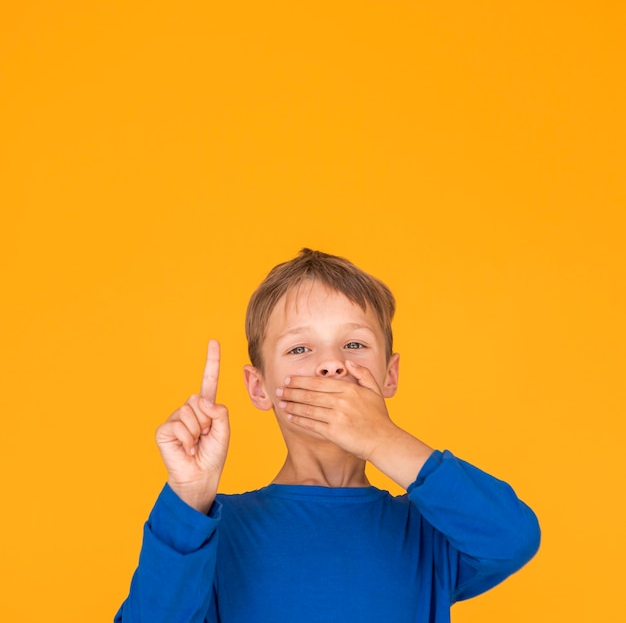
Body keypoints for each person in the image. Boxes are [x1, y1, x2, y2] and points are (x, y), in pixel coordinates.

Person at [115, 248, 540, 623]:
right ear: (258, 386)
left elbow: (513, 537)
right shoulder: (215, 531)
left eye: (354, 345)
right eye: (300, 349)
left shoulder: (430, 532)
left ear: (389, 376)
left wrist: (382, 438)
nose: (332, 364)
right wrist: (188, 498)